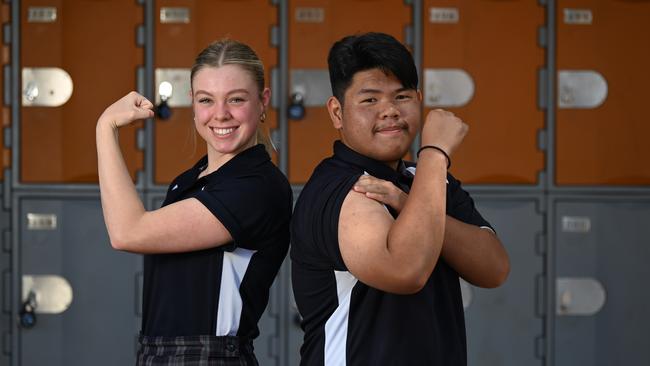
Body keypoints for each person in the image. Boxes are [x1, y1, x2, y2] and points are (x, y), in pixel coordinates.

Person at [290, 32, 510, 365]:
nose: (390, 111)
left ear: (419, 99)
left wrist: (408, 202)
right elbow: (405, 271)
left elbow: (493, 268)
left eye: (402, 96)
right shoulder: (341, 187)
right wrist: (435, 152)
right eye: (370, 100)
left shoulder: (423, 182)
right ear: (337, 112)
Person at [96, 39, 292, 365]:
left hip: (209, 356)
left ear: (263, 101)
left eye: (237, 99)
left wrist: (106, 127)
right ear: (192, 103)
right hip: (158, 352)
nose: (220, 114)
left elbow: (127, 232)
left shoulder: (257, 187)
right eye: (206, 100)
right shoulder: (190, 180)